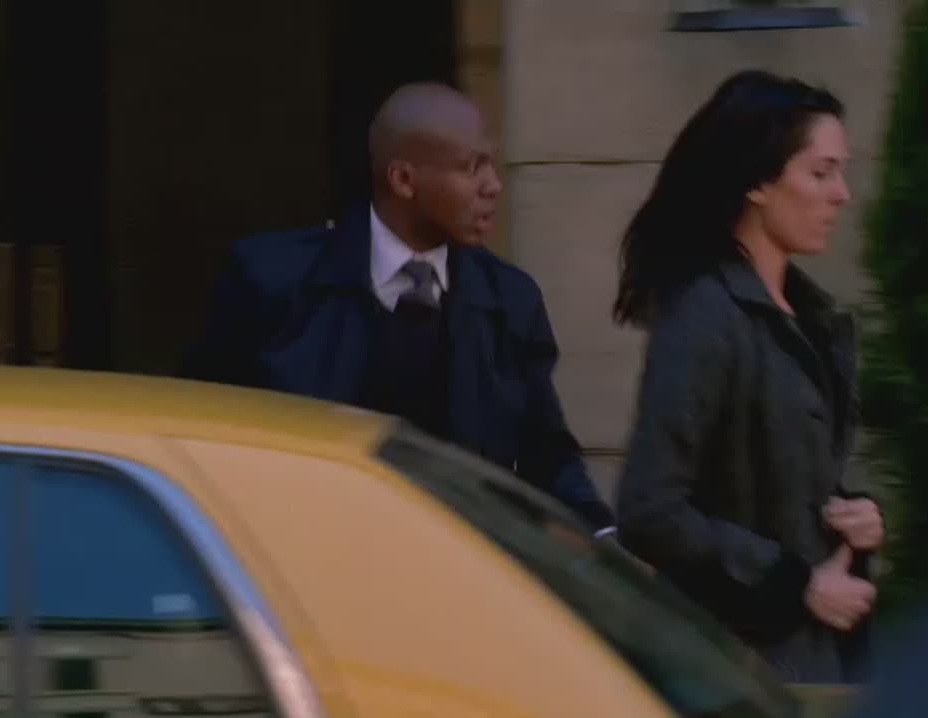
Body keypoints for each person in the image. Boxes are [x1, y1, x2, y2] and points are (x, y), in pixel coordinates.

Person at [182, 82, 614, 531]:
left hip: (456, 557)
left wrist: (604, 538)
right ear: (403, 180)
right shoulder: (271, 281)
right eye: (471, 167)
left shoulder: (509, 300)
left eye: (492, 163)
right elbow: (203, 430)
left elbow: (547, 456)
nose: (493, 186)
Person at [612, 70, 884, 683]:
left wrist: (857, 515)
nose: (841, 194)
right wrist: (795, 583)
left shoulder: (807, 315)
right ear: (759, 182)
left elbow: (780, 479)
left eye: (841, 172)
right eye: (821, 173)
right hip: (735, 674)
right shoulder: (704, 315)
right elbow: (650, 509)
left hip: (813, 666)